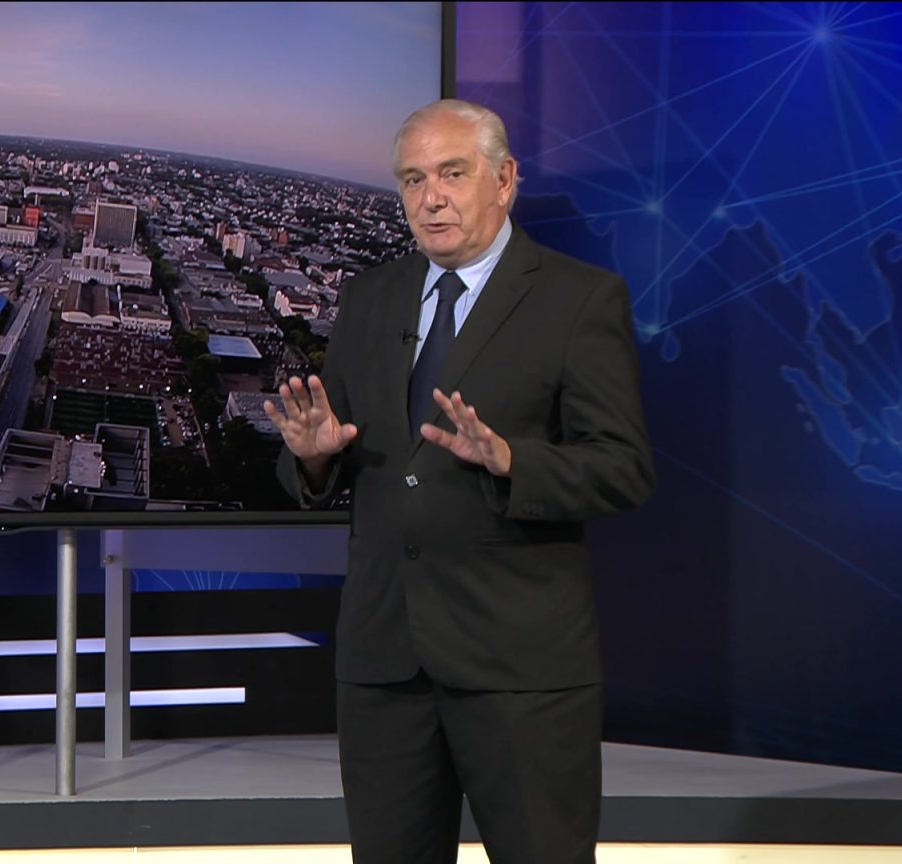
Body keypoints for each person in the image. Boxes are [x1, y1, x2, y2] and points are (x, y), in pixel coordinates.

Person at [263, 98, 655, 864]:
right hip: (385, 664)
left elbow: (624, 467)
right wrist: (311, 456)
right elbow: (328, 454)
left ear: (504, 181)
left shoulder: (579, 300)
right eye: (413, 179)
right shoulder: (369, 298)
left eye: (451, 173)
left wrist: (513, 461)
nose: (430, 198)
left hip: (519, 667)